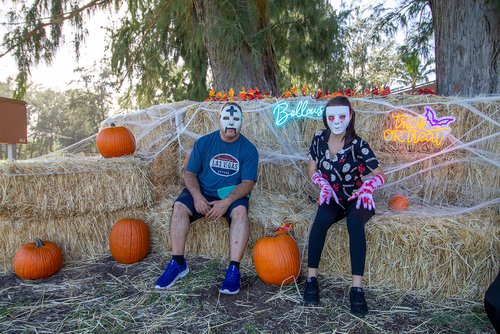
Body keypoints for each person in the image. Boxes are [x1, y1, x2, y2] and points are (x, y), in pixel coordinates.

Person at [155, 102, 259, 295]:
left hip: (229, 193)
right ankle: (178, 263)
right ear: (219, 120)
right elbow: (189, 173)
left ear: (242, 122)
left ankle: (234, 269)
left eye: (236, 119)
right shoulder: (203, 143)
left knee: (241, 212)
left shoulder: (248, 149)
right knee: (178, 207)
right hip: (202, 190)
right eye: (227, 118)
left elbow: (247, 183)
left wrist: (226, 202)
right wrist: (197, 197)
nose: (231, 122)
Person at [303, 96, 385, 317]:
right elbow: (311, 169)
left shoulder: (358, 144)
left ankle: (356, 288)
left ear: (350, 116)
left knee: (355, 222)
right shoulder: (319, 139)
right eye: (331, 116)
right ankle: (312, 280)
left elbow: (379, 174)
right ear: (325, 118)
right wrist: (321, 184)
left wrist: (368, 188)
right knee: (320, 221)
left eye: (341, 116)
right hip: (332, 196)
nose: (337, 120)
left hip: (357, 197)